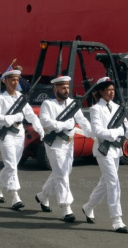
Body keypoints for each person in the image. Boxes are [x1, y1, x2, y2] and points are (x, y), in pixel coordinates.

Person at [82, 77, 128, 234]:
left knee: (105, 183)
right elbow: (97, 131)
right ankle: (117, 220)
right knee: (113, 182)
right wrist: (115, 132)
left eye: (113, 89)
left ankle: (88, 207)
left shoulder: (118, 108)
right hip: (102, 150)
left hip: (115, 151)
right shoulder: (95, 109)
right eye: (108, 90)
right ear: (101, 92)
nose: (112, 93)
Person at [36, 76, 92, 222]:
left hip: (69, 144)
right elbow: (45, 122)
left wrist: (91, 132)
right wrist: (63, 125)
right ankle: (66, 208)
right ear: (55, 89)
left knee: (62, 172)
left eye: (67, 87)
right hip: (55, 144)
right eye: (63, 87)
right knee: (61, 174)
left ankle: (43, 196)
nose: (66, 90)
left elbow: (82, 120)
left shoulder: (72, 103)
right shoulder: (48, 104)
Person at [0, 67, 44, 210]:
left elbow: (30, 114)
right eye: (12, 80)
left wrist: (38, 126)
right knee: (12, 165)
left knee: (11, 165)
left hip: (19, 133)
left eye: (17, 80)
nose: (15, 82)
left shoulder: (21, 98)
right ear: (6, 81)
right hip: (6, 134)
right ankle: (15, 196)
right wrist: (14, 117)